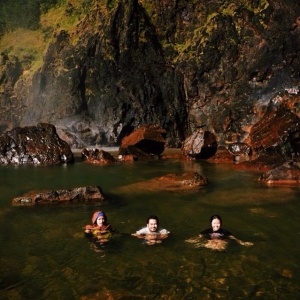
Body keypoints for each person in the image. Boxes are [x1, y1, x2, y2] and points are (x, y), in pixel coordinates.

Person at [186, 214, 253, 251]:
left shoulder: (224, 232)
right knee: (211, 245)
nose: (216, 225)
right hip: (211, 241)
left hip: (221, 241)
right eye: (214, 223)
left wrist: (242, 242)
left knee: (220, 247)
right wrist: (196, 239)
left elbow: (233, 237)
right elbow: (200, 234)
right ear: (211, 223)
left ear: (221, 223)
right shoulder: (208, 231)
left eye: (218, 223)